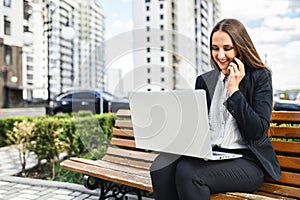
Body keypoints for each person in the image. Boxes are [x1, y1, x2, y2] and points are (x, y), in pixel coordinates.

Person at [150, 18, 282, 200]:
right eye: (215, 48)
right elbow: (197, 128)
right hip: (211, 155)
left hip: (247, 161)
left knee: (190, 174)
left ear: (240, 47)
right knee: (161, 167)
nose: (220, 55)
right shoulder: (205, 80)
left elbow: (257, 131)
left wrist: (234, 91)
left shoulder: (260, 77)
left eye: (227, 48)